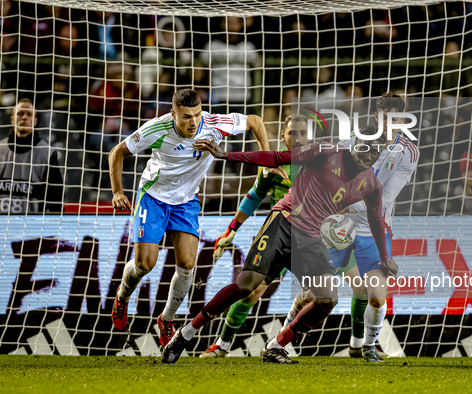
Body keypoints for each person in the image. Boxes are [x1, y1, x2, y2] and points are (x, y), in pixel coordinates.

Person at [162, 125, 398, 365]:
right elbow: (276, 157)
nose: (368, 156)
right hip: (284, 222)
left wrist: (385, 256)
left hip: (312, 239)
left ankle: (275, 346)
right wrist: (226, 155)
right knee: (247, 285)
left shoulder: (371, 185)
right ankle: (186, 334)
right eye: (365, 149)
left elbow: (375, 219)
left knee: (327, 299)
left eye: (375, 153)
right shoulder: (326, 152)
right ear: (355, 143)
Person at [109, 89, 270, 348]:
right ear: (173, 114)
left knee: (187, 264)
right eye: (186, 117)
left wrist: (265, 160)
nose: (193, 122)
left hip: (186, 202)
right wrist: (117, 191)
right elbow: (117, 152)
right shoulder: (157, 128)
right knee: (145, 264)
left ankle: (167, 319)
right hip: (153, 197)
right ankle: (122, 296)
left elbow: (254, 121)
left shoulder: (215, 124)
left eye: (197, 115)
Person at [281, 92, 419, 362]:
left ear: (403, 120)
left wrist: (344, 202)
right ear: (377, 117)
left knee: (377, 296)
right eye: (386, 117)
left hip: (373, 230)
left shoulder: (409, 152)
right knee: (312, 293)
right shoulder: (351, 142)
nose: (391, 123)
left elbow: (386, 198)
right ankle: (284, 337)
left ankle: (366, 346)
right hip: (338, 227)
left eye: (397, 118)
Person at [200, 114, 308, 357]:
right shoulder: (274, 165)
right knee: (252, 291)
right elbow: (253, 197)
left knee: (319, 292)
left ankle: (282, 341)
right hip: (281, 234)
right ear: (283, 136)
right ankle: (223, 343)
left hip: (314, 237)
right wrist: (231, 231)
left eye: (303, 133)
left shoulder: (320, 160)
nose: (298, 138)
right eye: (293, 133)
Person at [0, 98, 63, 214]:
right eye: (20, 113)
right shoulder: (0, 149)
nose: (24, 117)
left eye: (29, 114)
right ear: (12, 119)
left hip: (32, 228)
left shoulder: (47, 153)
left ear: (34, 121)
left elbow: (56, 200)